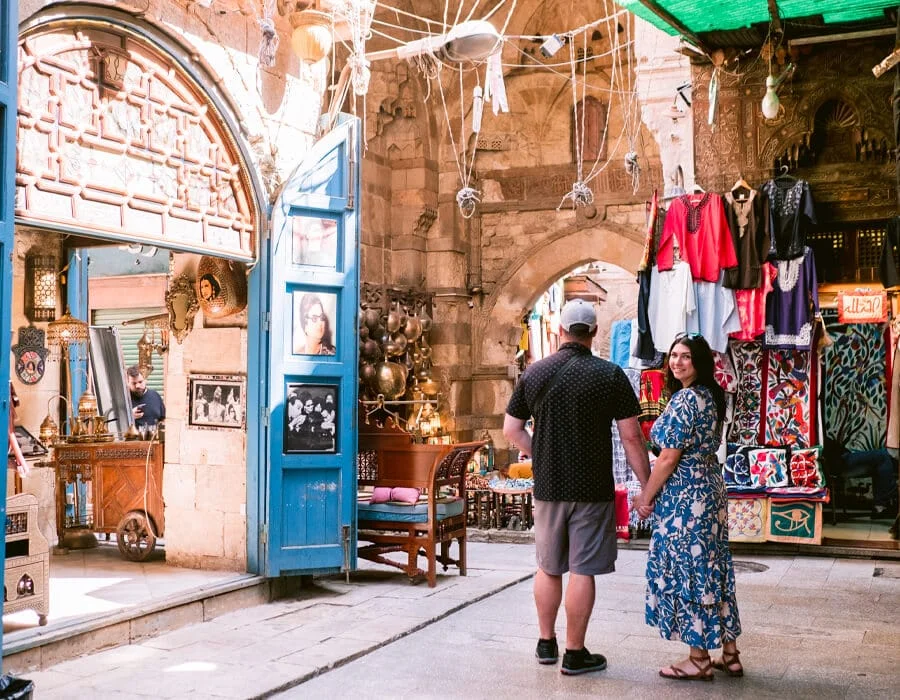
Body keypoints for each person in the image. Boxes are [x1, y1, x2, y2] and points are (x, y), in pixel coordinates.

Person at [503, 298, 651, 675]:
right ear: (595, 333)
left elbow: (511, 430)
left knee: (548, 566)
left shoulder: (534, 374)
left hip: (549, 485)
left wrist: (541, 451)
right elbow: (632, 437)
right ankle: (574, 652)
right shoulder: (610, 375)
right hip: (591, 486)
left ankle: (545, 643)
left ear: (559, 331)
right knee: (582, 568)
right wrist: (647, 484)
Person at [632, 333, 742, 681]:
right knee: (713, 565)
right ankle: (730, 653)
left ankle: (698, 658)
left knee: (689, 568)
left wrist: (645, 497)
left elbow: (667, 459)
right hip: (709, 488)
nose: (677, 362)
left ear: (699, 363)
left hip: (686, 496)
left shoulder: (685, 401)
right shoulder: (711, 396)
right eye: (674, 356)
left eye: (685, 357)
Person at [822, 437, 899, 518]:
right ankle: (882, 505)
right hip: (840, 461)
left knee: (883, 459)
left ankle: (881, 506)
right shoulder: (813, 433)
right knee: (882, 455)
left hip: (842, 458)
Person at [127, 365, 165, 431]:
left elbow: (163, 419)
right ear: (128, 383)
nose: (138, 386)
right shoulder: (124, 399)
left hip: (154, 440)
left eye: (140, 382)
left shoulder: (155, 395)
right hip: (132, 440)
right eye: (134, 383)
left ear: (145, 380)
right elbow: (115, 424)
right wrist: (129, 416)